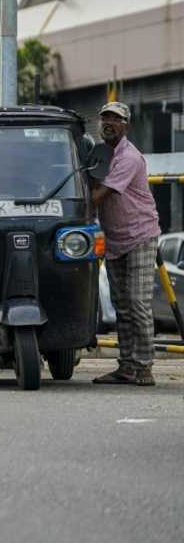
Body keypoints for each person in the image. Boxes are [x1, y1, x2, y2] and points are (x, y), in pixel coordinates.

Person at [91, 102, 160, 386]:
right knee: (121, 306)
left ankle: (144, 367)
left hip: (140, 235)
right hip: (115, 238)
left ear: (126, 126)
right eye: (105, 117)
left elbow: (97, 196)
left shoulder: (129, 157)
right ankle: (126, 366)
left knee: (137, 302)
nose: (109, 122)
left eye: (116, 119)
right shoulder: (99, 154)